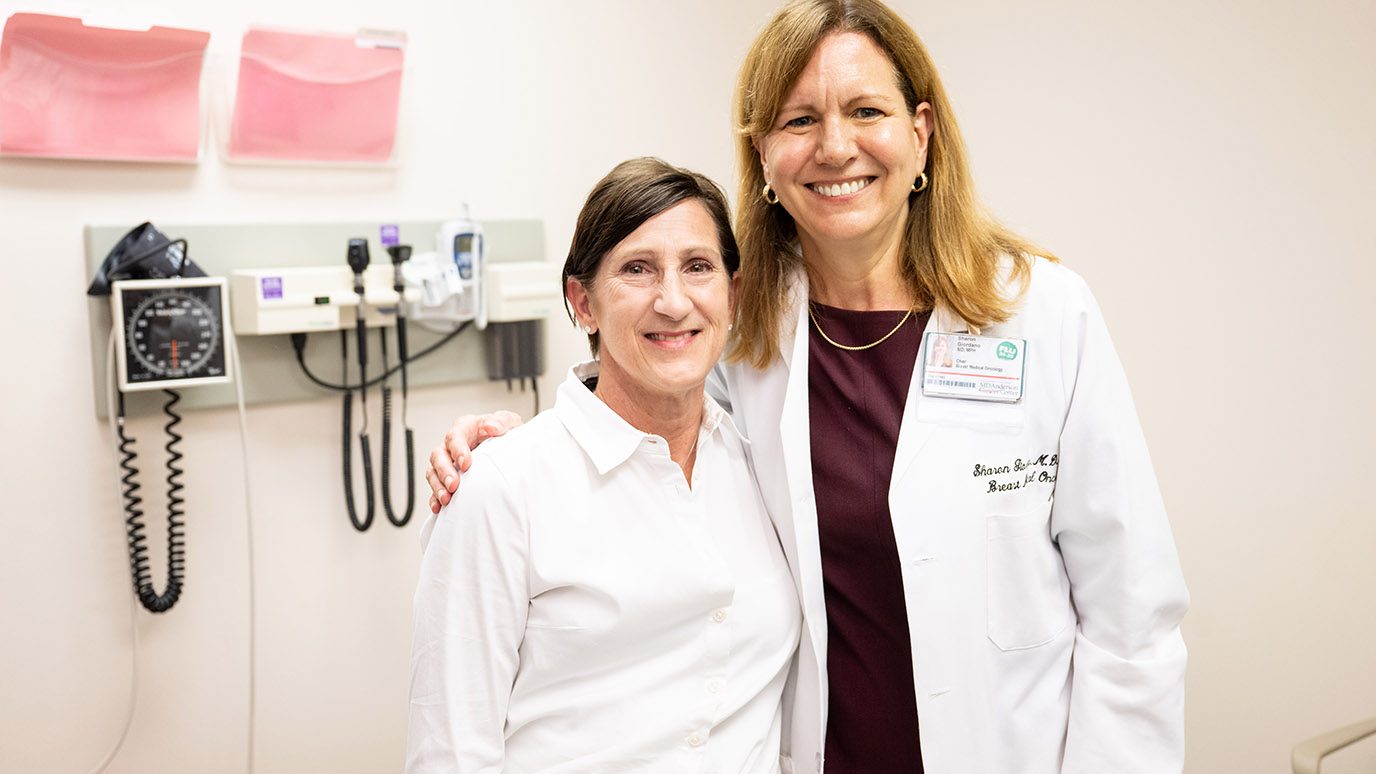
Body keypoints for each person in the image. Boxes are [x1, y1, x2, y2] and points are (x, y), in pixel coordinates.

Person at [425, 1, 1189, 772]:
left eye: (866, 110)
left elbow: (1133, 621)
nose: (834, 146)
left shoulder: (1042, 313)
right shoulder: (746, 327)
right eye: (798, 121)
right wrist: (523, 446)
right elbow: (653, 437)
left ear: (920, 134)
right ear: (762, 155)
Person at [406, 158, 801, 772]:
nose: (673, 301)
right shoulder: (501, 488)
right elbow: (452, 750)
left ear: (734, 293)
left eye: (698, 267)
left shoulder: (762, 460)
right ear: (582, 303)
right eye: (637, 270)